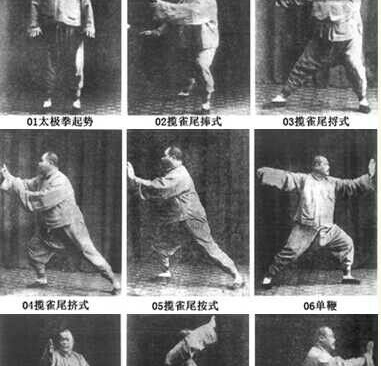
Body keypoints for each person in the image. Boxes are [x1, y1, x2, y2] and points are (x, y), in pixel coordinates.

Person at [258, 0, 371, 113]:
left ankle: (363, 99)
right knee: (304, 64)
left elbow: (349, 7)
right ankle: (283, 96)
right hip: (323, 34)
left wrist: (318, 2)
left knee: (355, 67)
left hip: (348, 36)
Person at [0, 152, 120, 294]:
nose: (38, 163)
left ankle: (115, 282)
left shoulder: (61, 181)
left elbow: (42, 199)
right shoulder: (42, 178)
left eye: (41, 160)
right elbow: (26, 184)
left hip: (69, 224)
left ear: (50, 163)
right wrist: (10, 178)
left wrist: (17, 188)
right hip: (50, 225)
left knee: (88, 252)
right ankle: (41, 279)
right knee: (35, 248)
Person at [127, 146, 244, 289]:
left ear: (174, 158)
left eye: (165, 156)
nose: (162, 158)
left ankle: (237, 276)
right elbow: (159, 187)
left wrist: (134, 179)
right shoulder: (174, 172)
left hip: (191, 217)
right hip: (178, 218)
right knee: (162, 244)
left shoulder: (180, 174)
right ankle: (165, 273)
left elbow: (159, 187)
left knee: (209, 248)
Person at [257, 156, 376, 289]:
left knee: (347, 243)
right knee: (289, 253)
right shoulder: (303, 179)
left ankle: (347, 275)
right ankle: (268, 277)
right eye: (326, 165)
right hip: (306, 228)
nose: (329, 167)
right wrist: (265, 173)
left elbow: (350, 185)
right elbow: (286, 178)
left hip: (328, 228)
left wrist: (369, 177)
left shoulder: (332, 182)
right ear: (317, 166)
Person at [140, 0, 219, 113]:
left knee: (201, 65)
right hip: (188, 41)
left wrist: (161, 5)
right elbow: (173, 18)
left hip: (206, 43)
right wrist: (157, 31)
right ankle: (189, 84)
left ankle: (206, 100)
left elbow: (190, 13)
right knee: (187, 67)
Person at [28, 0, 95, 111]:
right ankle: (47, 97)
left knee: (76, 64)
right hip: (50, 27)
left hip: (74, 29)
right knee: (48, 63)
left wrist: (89, 25)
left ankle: (76, 98)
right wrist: (34, 24)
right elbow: (35, 3)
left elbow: (86, 3)